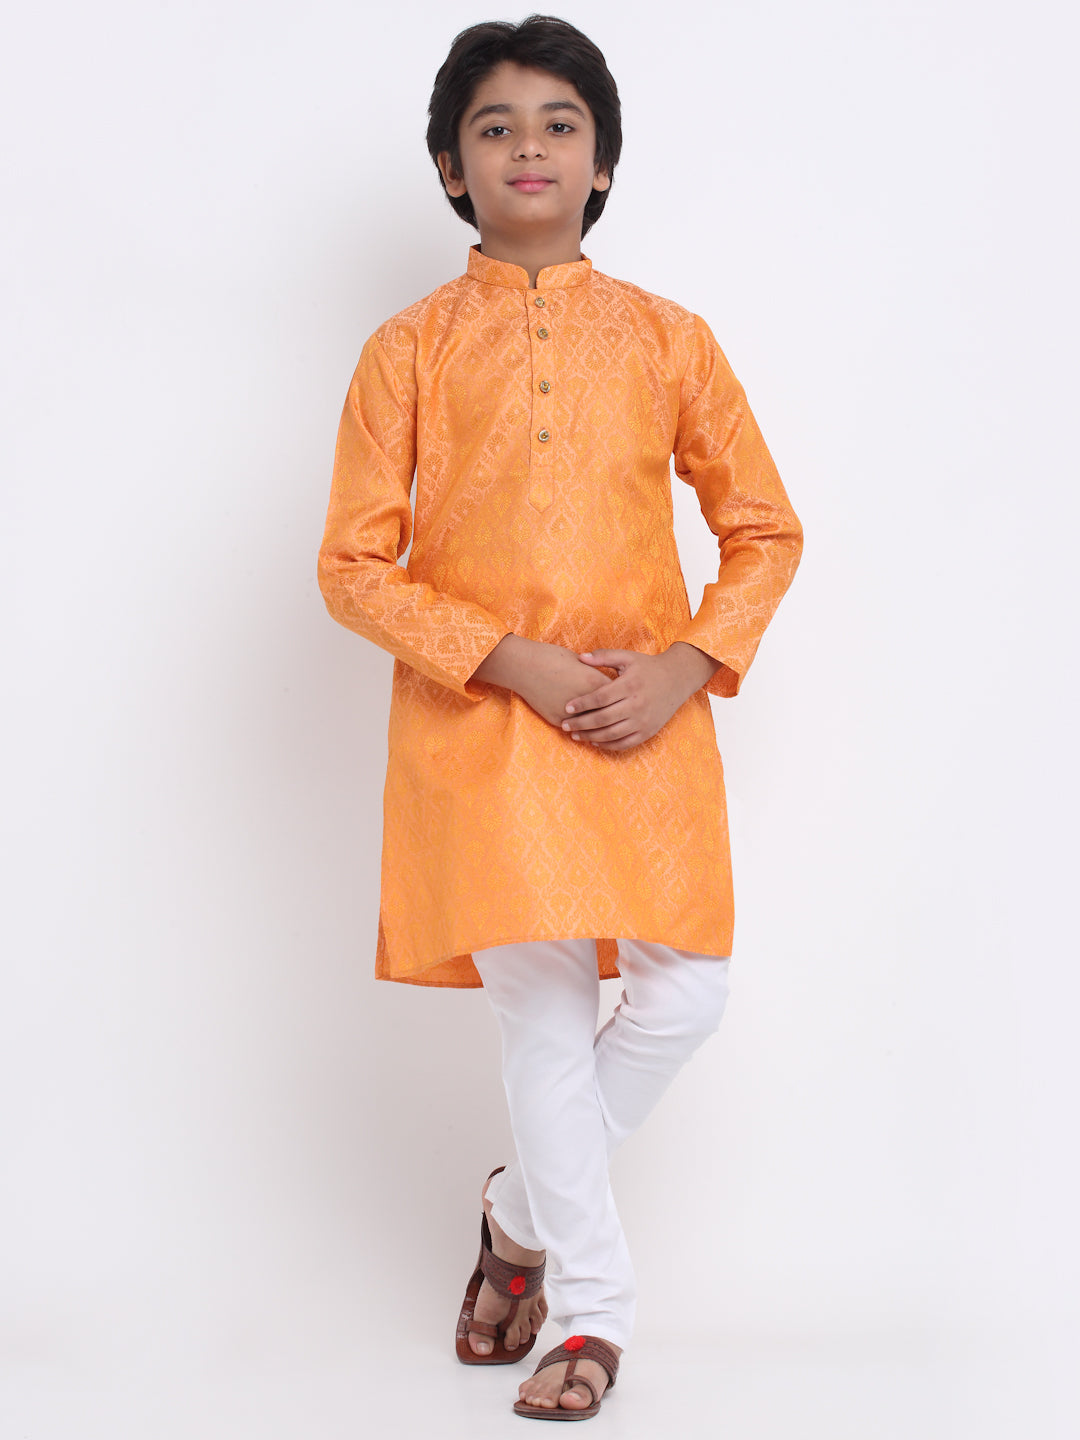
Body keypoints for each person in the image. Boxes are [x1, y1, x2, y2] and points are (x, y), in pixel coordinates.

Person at [317, 13, 803, 1421]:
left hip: (645, 716)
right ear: (451, 169)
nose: (527, 146)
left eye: (558, 124)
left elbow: (765, 530)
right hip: (480, 725)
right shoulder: (407, 349)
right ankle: (591, 1321)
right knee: (543, 1011)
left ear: (601, 165)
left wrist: (689, 665)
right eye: (495, 126)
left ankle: (515, 1217)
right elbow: (351, 566)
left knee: (686, 991)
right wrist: (505, 660)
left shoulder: (669, 338)